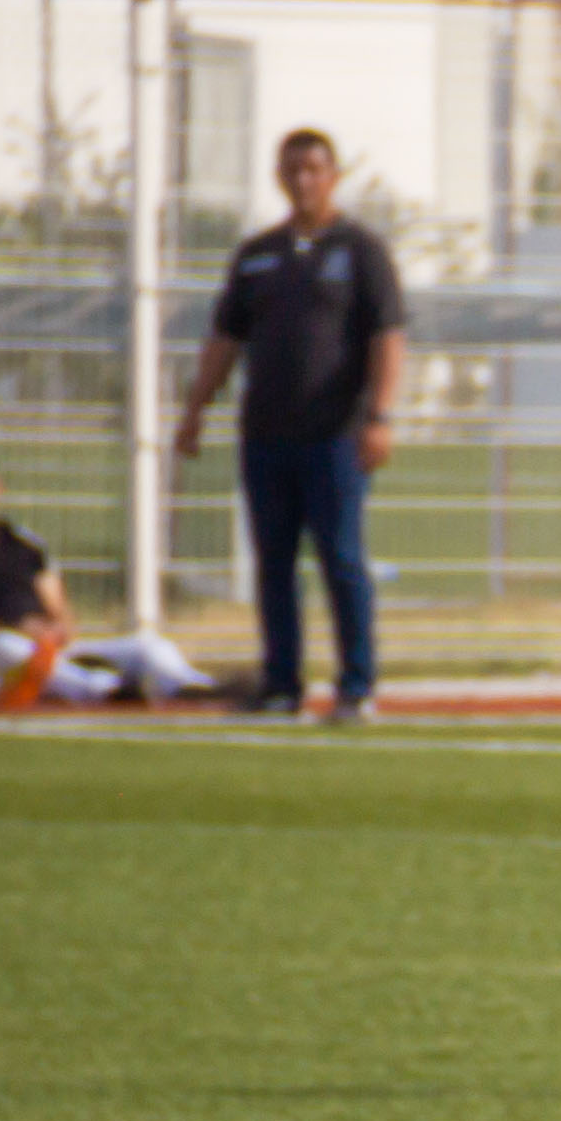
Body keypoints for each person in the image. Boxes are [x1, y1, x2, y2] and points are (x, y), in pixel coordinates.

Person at [169, 127, 404, 723]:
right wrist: (196, 408)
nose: (303, 180)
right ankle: (281, 686)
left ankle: (356, 686)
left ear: (333, 176)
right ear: (280, 177)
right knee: (273, 564)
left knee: (342, 559)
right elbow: (225, 338)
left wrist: (380, 415)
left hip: (334, 436)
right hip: (267, 436)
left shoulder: (361, 251)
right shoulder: (257, 255)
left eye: (314, 169)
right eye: (293, 170)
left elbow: (387, 337)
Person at [0, 443, 213, 707]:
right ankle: (107, 692)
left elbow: (58, 608)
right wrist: (5, 631)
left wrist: (57, 630)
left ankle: (190, 686)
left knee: (146, 644)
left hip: (44, 651)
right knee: (8, 647)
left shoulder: (24, 545)